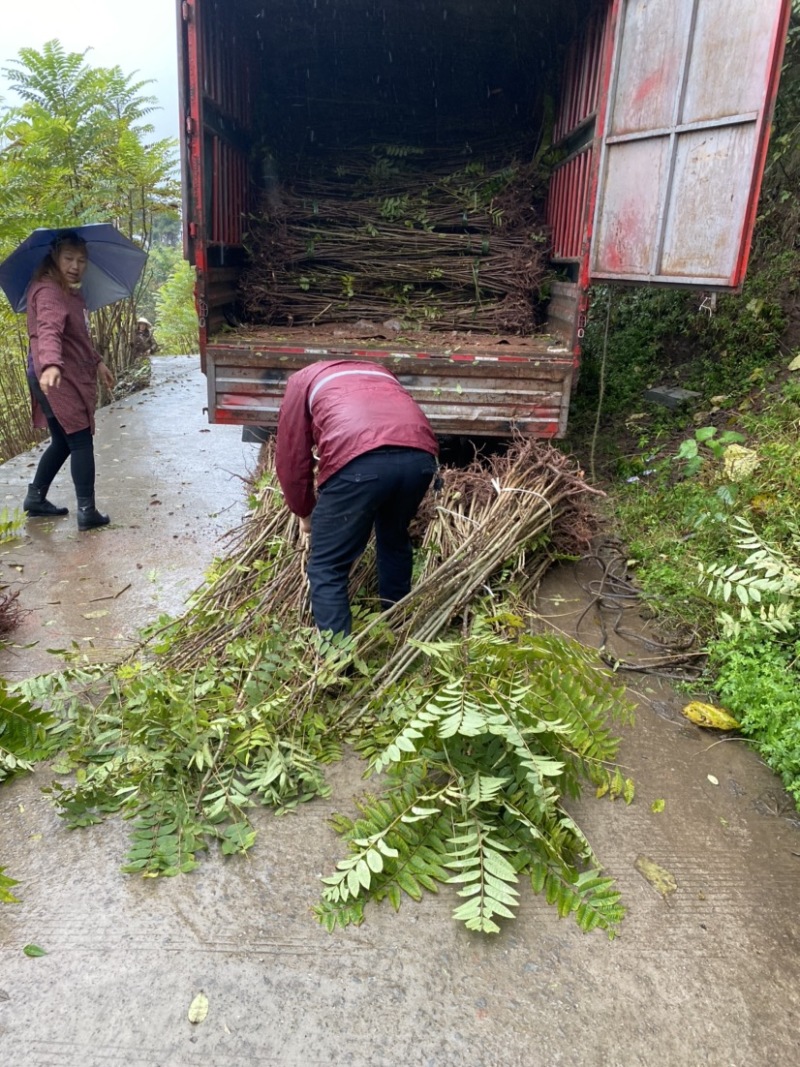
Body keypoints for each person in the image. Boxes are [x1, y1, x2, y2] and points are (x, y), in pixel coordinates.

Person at [275, 360, 439, 637]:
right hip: (420, 459)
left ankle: (337, 665)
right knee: (394, 539)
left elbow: (293, 458)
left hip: (359, 462)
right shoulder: (379, 372)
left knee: (328, 565)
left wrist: (304, 513)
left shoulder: (301, 381)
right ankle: (396, 628)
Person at [22, 232, 115, 530]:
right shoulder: (49, 291)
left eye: (81, 260)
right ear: (54, 256)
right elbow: (47, 330)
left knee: (63, 440)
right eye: (69, 259)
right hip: (53, 375)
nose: (76, 266)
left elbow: (78, 337)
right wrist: (49, 364)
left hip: (57, 374)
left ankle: (35, 498)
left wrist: (98, 361)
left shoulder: (70, 292)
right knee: (79, 438)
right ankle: (87, 510)